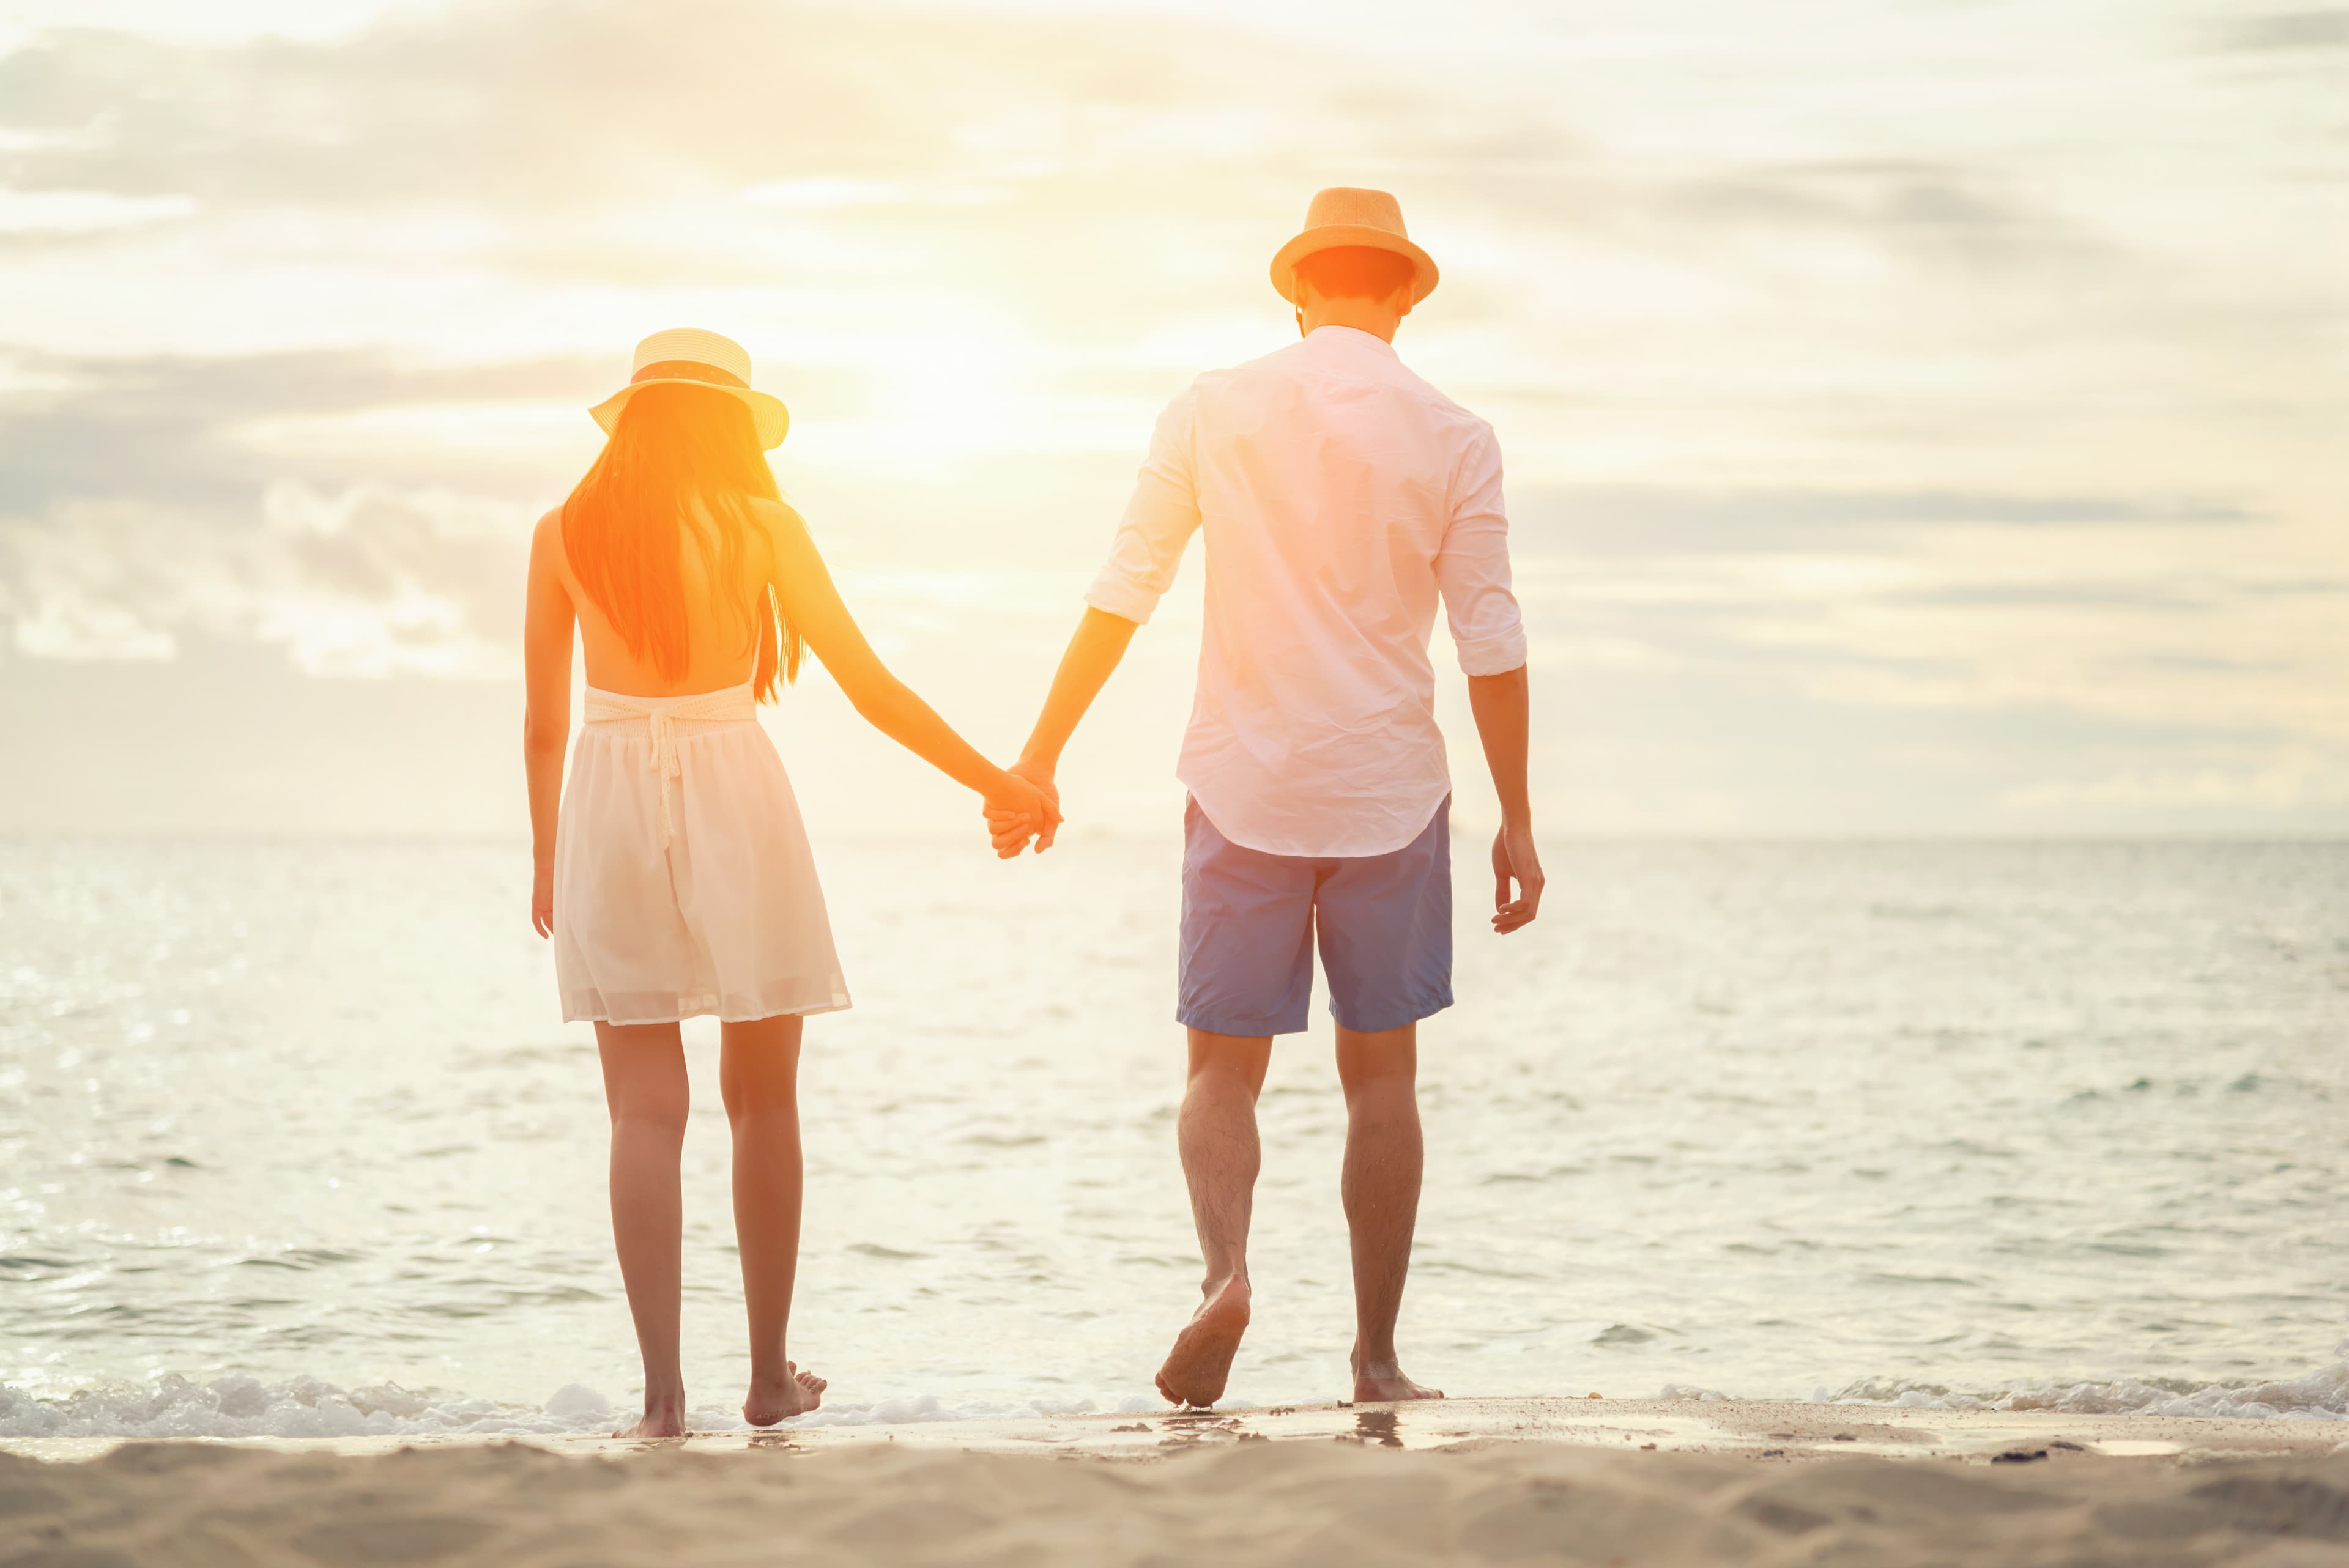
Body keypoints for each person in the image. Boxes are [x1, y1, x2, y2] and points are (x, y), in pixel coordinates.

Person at [992, 189, 1542, 1408]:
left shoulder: (1212, 407)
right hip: (1389, 791)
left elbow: (1125, 585)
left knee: (1220, 1071)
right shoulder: (1456, 432)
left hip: (1242, 783)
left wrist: (1039, 756)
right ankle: (1378, 1358)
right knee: (1382, 1080)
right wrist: (1518, 818)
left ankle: (1226, 1273)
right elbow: (1489, 634)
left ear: (1299, 289)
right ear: (1402, 292)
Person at [523, 328, 1054, 1438]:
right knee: (763, 1097)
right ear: (731, 426)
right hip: (732, 787)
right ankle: (766, 1379)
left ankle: (663, 1400)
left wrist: (545, 857)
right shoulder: (762, 524)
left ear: (636, 420)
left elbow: (541, 723)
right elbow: (867, 684)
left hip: (606, 800)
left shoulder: (562, 531)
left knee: (641, 1109)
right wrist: (997, 779)